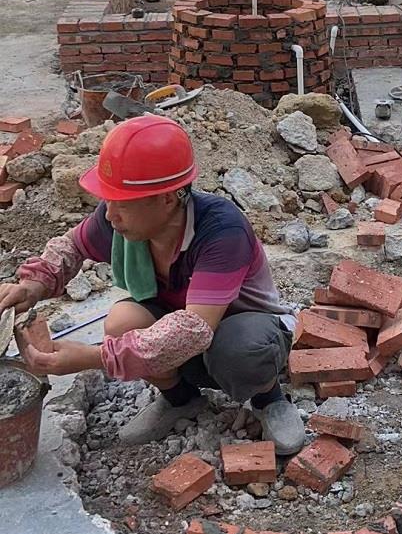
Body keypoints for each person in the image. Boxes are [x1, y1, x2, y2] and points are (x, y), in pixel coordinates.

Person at [0, 116, 304, 454]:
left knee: (241, 349)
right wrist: (34, 285)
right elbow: (71, 247)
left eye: (123, 202)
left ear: (167, 198)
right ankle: (181, 400)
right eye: (109, 200)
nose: (110, 214)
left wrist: (92, 357)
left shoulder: (221, 230)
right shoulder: (118, 220)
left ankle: (268, 398)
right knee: (121, 324)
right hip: (182, 334)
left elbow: (194, 330)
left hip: (241, 329)